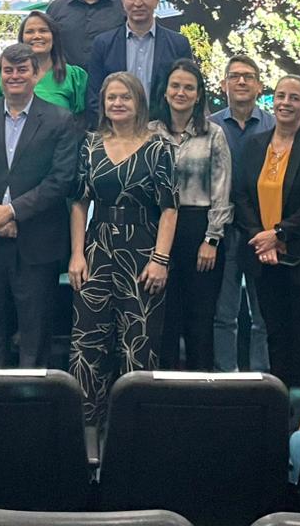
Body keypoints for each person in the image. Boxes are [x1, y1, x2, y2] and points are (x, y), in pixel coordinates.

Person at [0, 43, 78, 367]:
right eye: (8, 70)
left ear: (36, 75)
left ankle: (31, 396)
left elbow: (61, 178)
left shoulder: (60, 120)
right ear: (0, 75)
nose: (14, 76)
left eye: (22, 70)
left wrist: (12, 211)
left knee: (35, 334)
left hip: (36, 241)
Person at [69, 71, 178, 426]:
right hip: (97, 249)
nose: (117, 103)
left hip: (143, 252)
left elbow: (170, 209)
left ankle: (134, 430)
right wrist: (77, 253)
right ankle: (88, 431)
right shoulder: (89, 145)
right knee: (88, 344)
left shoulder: (159, 148)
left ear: (139, 103)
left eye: (125, 97)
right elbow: (79, 203)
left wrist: (160, 260)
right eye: (111, 97)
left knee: (138, 344)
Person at [233, 74, 300, 428]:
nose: (285, 103)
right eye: (280, 96)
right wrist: (260, 238)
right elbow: (240, 196)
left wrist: (278, 233)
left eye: (293, 97)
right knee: (275, 336)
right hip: (263, 259)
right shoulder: (253, 145)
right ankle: (278, 411)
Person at [149, 58, 232, 370]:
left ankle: (201, 391)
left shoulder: (213, 134)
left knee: (200, 319)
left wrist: (212, 239)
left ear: (198, 95)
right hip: (158, 231)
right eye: (175, 86)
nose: (180, 92)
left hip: (200, 231)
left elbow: (222, 189)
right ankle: (164, 392)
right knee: (163, 317)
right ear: (165, 91)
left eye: (188, 87)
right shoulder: (149, 133)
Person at [209, 54, 273, 372]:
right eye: (234, 76)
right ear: (224, 84)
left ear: (260, 86)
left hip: (262, 231)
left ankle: (263, 379)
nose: (242, 81)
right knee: (224, 313)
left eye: (249, 76)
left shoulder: (274, 125)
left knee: (263, 315)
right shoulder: (210, 125)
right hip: (222, 230)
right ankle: (226, 378)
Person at [86, 0, 193, 121]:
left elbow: (187, 94)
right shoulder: (103, 44)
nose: (138, 2)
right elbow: (94, 99)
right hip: (117, 131)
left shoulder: (178, 45)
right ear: (123, 1)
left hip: (164, 131)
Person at [0, 10, 88, 115]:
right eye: (30, 32)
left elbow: (81, 118)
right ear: (22, 38)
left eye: (43, 31)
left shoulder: (73, 77)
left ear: (54, 37)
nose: (37, 36)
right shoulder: (3, 73)